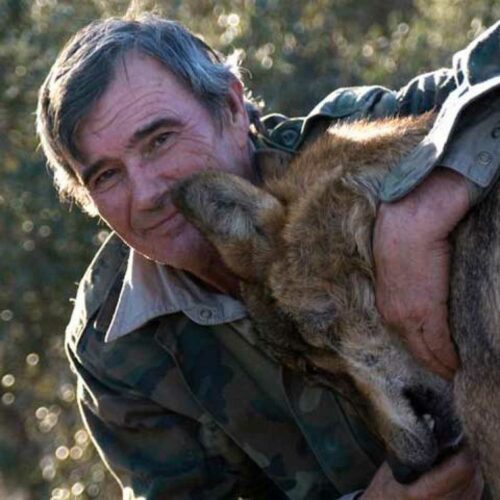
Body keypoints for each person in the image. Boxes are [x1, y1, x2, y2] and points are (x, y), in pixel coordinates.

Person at [35, 12, 500, 499]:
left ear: (233, 108)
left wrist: (434, 200)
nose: (147, 192)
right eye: (106, 176)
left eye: (160, 140)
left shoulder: (352, 140)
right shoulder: (110, 347)